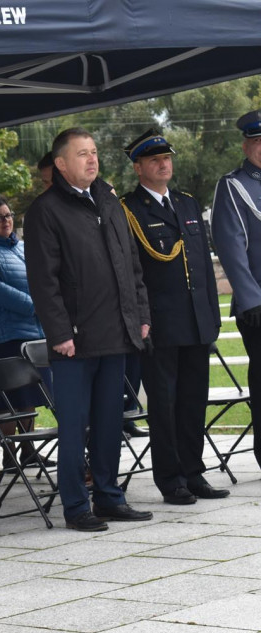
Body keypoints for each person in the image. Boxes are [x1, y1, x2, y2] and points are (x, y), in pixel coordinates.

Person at [25, 127, 154, 532]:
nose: (92, 159)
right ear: (61, 164)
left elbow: (131, 264)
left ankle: (109, 497)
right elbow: (44, 281)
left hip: (115, 332)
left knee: (109, 422)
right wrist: (60, 332)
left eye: (94, 152)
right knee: (74, 426)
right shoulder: (45, 211)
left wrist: (141, 313)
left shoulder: (109, 202)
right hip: (74, 341)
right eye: (82, 154)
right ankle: (76, 507)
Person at [120, 129, 228, 504]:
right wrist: (140, 321)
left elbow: (202, 265)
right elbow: (131, 273)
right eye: (154, 160)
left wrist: (212, 317)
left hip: (197, 321)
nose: (164, 163)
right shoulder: (129, 210)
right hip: (161, 325)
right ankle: (171, 479)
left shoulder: (186, 203)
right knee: (164, 406)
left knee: (193, 401)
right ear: (138, 167)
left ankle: (194, 473)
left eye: (167, 157)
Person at [0, 196, 53, 469]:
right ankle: (8, 452)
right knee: (6, 398)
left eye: (9, 215)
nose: (6, 221)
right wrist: (34, 305)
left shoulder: (24, 248)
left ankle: (28, 449)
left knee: (27, 395)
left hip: (30, 332)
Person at [211, 109, 261, 470]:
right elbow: (230, 246)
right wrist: (251, 299)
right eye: (257, 142)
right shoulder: (234, 186)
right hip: (258, 305)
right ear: (246, 146)